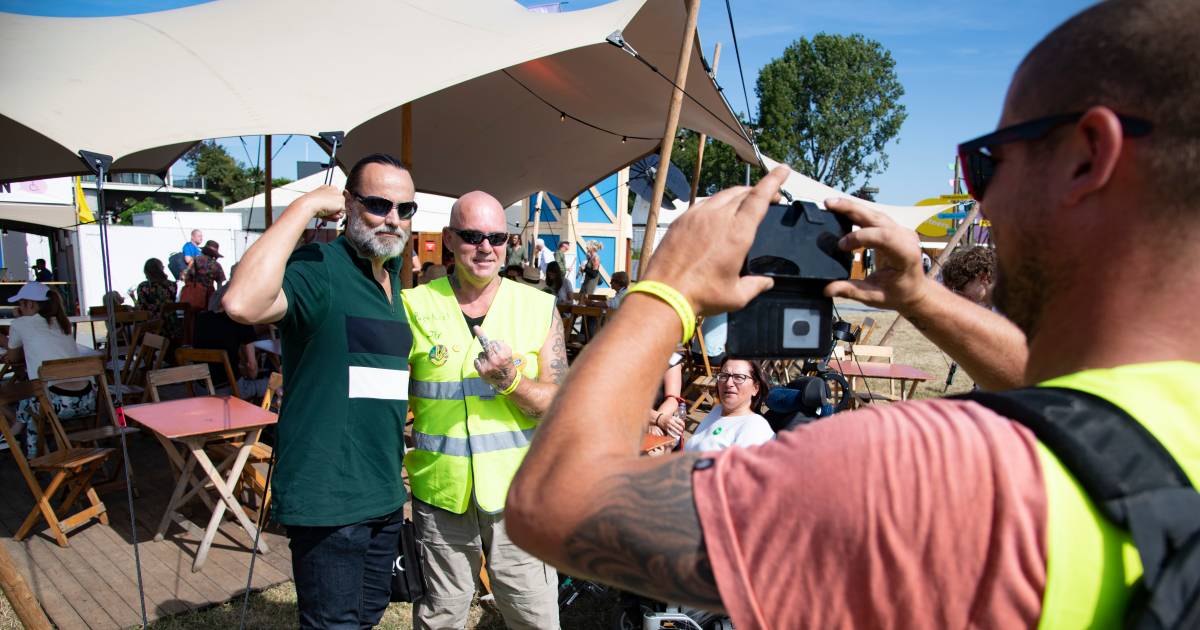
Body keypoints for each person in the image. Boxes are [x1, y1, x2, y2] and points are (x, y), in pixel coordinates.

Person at [507, 3, 1200, 623]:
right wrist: (921, 296)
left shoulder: (929, 474)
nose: (981, 203)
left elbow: (553, 504)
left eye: (984, 164)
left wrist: (666, 290)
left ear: (1087, 158)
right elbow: (1083, 403)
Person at [223, 153, 416, 629]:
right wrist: (305, 205)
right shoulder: (321, 267)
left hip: (385, 495)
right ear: (347, 203)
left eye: (404, 209)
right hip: (330, 500)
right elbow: (241, 303)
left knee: (367, 616)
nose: (392, 218)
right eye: (377, 204)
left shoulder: (389, 282)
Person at [402, 190, 567, 629]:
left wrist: (510, 380)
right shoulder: (414, 307)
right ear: (449, 239)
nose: (486, 247)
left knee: (535, 619)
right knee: (441, 619)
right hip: (441, 496)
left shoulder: (538, 307)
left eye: (497, 236)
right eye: (473, 235)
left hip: (518, 498)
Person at [2, 283, 93, 458]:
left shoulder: (21, 324)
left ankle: (28, 451)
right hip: (87, 400)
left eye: (21, 303)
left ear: (31, 304)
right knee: (31, 395)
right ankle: (14, 432)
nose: (18, 308)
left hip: (54, 404)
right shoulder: (61, 322)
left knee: (25, 396)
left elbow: (13, 358)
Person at [684, 358, 774, 452]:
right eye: (724, 376)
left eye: (739, 377)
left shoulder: (755, 428)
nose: (728, 383)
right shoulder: (717, 411)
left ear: (755, 388)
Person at [134, 258, 180, 342]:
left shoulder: (143, 287)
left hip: (152, 329)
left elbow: (141, 308)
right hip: (171, 328)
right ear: (160, 269)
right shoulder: (172, 285)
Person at [185, 240, 227, 311]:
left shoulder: (196, 260)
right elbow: (219, 283)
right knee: (207, 316)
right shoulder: (217, 265)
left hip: (194, 293)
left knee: (193, 316)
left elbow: (187, 276)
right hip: (209, 295)